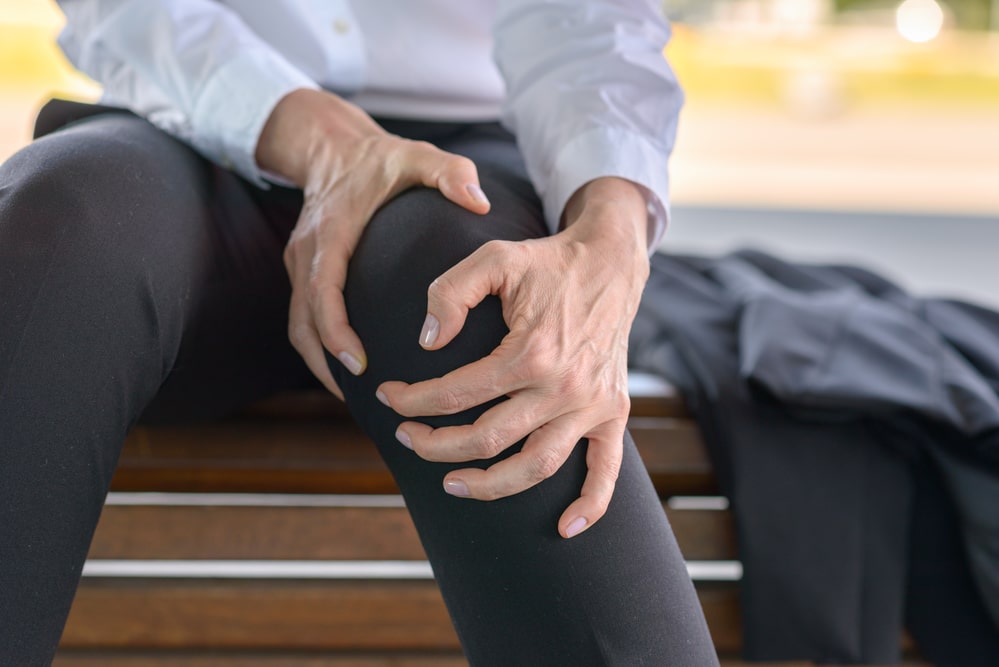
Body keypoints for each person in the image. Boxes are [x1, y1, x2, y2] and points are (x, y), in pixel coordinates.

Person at [0, 1, 718, 664]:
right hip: (186, 109)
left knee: (474, 303)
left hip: (458, 152)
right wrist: (323, 142)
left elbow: (588, 18)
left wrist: (611, 240)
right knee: (53, 236)